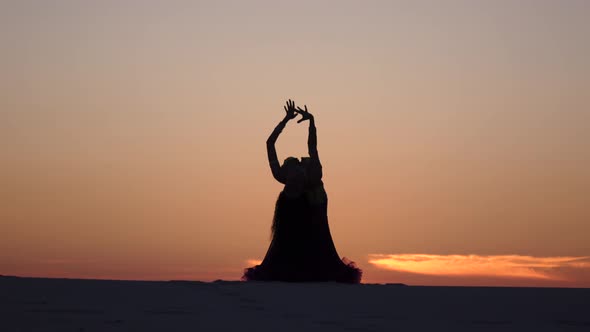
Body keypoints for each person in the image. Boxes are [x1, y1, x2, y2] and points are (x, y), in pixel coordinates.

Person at [242, 100, 362, 283]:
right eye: (292, 164)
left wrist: (310, 122)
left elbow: (311, 146)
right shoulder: (285, 175)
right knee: (287, 243)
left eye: (295, 164)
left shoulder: (307, 176)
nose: (295, 164)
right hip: (294, 208)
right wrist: (287, 120)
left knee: (316, 240)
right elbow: (270, 143)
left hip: (310, 207)